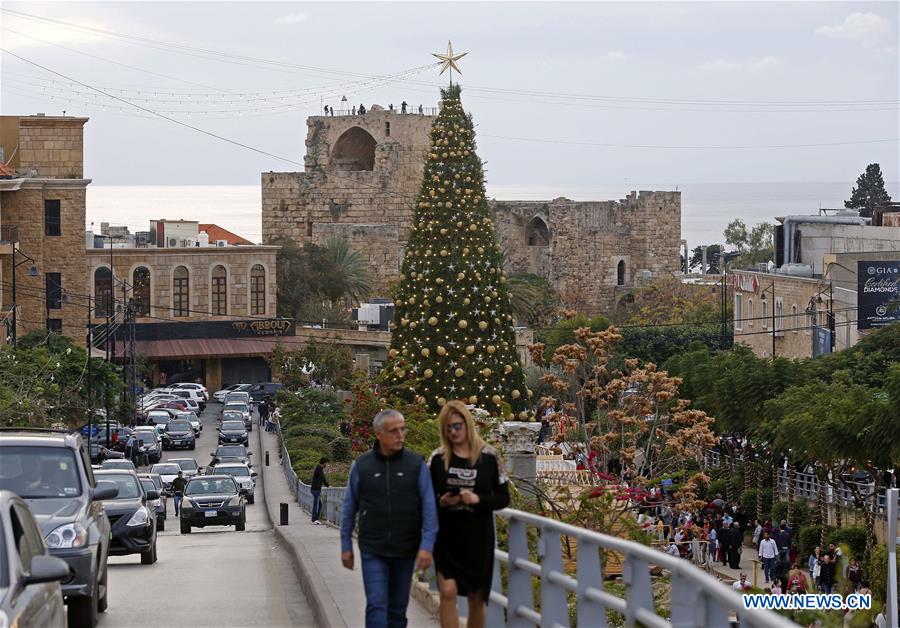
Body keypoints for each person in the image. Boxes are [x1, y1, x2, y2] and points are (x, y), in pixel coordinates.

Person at [340, 409, 438, 628]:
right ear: (379, 434)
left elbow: (429, 507)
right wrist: (345, 544)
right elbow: (349, 507)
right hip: (372, 548)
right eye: (394, 431)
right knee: (376, 604)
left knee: (397, 610)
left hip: (406, 549)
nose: (400, 435)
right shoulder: (362, 466)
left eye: (403, 429)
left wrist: (427, 546)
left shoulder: (415, 465)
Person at [429, 400, 509, 628]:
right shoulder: (436, 459)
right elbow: (425, 499)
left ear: (467, 424)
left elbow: (504, 497)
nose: (453, 431)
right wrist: (442, 500)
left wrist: (478, 499)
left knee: (476, 598)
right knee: (447, 591)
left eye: (457, 425)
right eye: (448, 427)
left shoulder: (490, 457)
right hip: (446, 538)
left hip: (478, 539)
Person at [311, 457, 329, 525]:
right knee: (316, 504)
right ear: (324, 463)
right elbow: (322, 477)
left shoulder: (319, 468)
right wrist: (328, 485)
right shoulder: (318, 468)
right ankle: (314, 519)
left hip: (317, 489)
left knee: (320, 504)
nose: (326, 465)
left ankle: (316, 519)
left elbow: (322, 478)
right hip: (315, 489)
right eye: (326, 463)